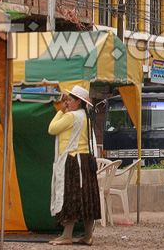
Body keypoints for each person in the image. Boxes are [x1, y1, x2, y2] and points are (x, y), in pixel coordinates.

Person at [48, 85, 101, 246]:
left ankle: (67, 235)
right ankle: (88, 235)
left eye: (70, 100)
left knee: (71, 197)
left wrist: (60, 111)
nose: (67, 103)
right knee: (86, 198)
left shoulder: (71, 117)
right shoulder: (86, 116)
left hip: (73, 160)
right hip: (85, 160)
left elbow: (52, 129)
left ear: (78, 102)